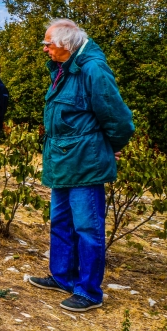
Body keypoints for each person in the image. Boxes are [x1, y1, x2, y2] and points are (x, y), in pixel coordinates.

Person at [29, 19, 134, 313]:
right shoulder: (64, 68)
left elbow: (118, 118)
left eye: (48, 43)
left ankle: (88, 291)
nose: (45, 48)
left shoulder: (93, 69)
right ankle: (62, 277)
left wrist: (108, 147)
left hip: (85, 163)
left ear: (66, 43)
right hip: (62, 160)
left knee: (88, 228)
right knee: (61, 222)